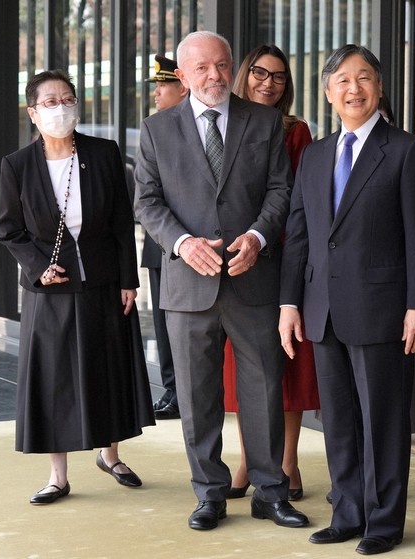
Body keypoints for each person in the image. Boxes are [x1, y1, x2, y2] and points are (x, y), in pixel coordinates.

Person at [134, 31, 308, 531]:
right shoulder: (156, 129)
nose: (215, 76)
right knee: (196, 395)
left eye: (222, 65)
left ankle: (270, 492)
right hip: (188, 284)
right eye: (203, 68)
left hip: (253, 278)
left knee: (264, 391)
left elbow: (281, 189)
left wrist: (256, 236)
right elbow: (147, 202)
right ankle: (209, 493)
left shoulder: (266, 121)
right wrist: (183, 244)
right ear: (183, 75)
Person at [279, 44, 415, 555]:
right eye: (343, 81)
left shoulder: (406, 149)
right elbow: (299, 234)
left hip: (384, 309)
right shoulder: (315, 153)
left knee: (383, 420)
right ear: (328, 93)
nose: (355, 89)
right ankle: (346, 513)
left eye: (365, 78)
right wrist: (289, 304)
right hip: (322, 309)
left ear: (379, 86)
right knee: (339, 422)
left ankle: (384, 523)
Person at [0, 69, 155, 505]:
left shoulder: (104, 154)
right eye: (50, 102)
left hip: (104, 282)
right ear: (33, 112)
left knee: (107, 368)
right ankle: (58, 475)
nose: (60, 107)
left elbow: (124, 223)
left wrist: (129, 280)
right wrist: (36, 269)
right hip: (50, 289)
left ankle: (111, 454)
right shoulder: (18, 165)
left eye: (67, 99)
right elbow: (9, 230)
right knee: (55, 380)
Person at [222, 44, 319, 501]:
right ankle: (246, 460)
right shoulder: (223, 122)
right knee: (244, 370)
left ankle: (287, 462)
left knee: (289, 367)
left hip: (281, 258)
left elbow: (297, 200)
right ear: (244, 75)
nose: (268, 82)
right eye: (259, 73)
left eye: (278, 77)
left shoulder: (295, 131)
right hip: (231, 265)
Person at [143, 53, 189, 420]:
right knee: (163, 323)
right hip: (162, 243)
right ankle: (172, 389)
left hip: (198, 245)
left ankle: (181, 391)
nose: (157, 94)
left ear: (181, 85)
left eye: (163, 86)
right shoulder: (154, 128)